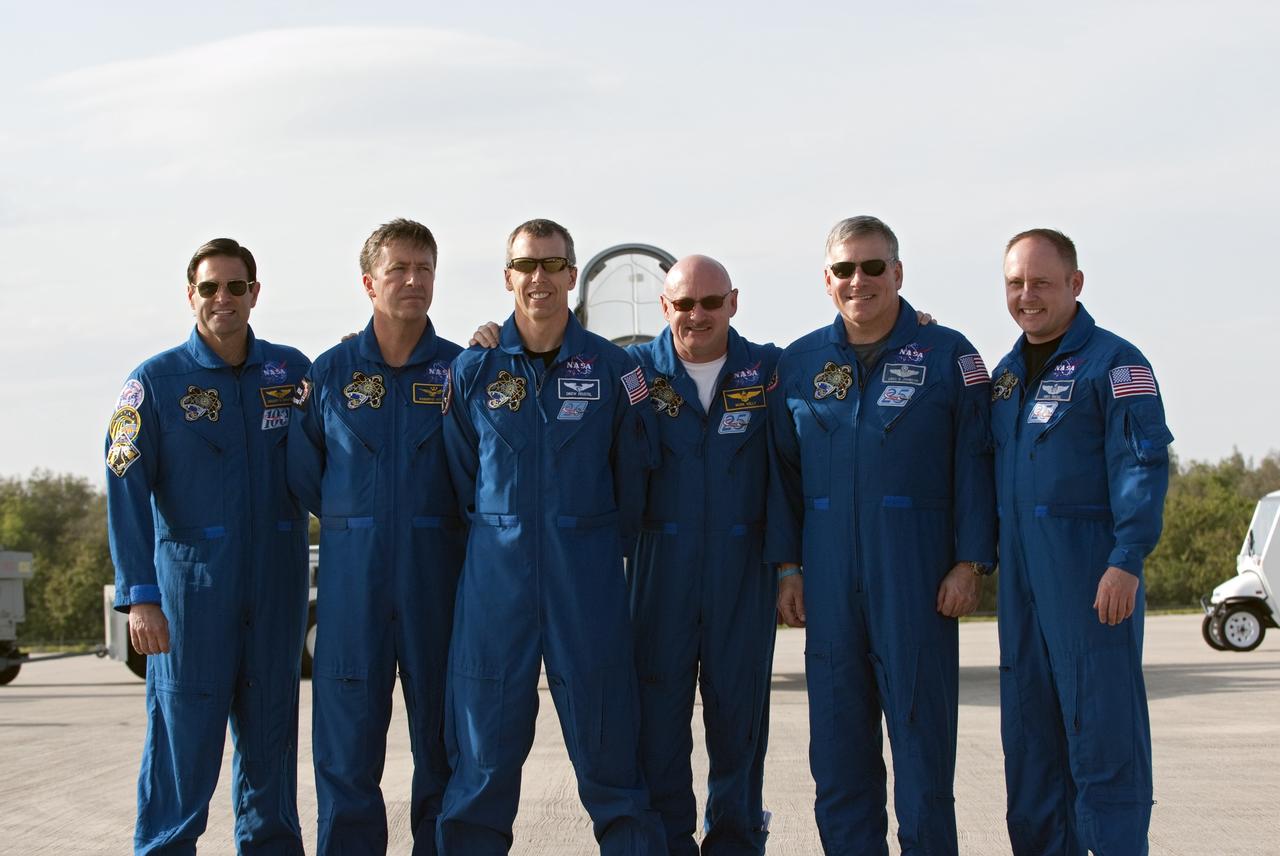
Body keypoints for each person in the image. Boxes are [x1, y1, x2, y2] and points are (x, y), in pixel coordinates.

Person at [767, 215, 996, 855]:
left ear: (898, 273)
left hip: (916, 580)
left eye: (873, 267)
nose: (858, 280)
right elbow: (781, 476)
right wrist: (788, 568)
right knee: (838, 760)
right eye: (845, 269)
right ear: (827, 279)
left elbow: (976, 461)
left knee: (923, 756)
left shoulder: (951, 356)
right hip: (830, 584)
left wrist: (970, 561)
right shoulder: (798, 363)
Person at [437, 218, 665, 855]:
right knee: (481, 765)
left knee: (611, 759)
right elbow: (460, 480)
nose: (539, 277)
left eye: (552, 264)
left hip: (585, 582)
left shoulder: (618, 371)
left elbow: (635, 481)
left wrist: (586, 542)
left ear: (572, 274)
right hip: (494, 591)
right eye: (526, 265)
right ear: (508, 277)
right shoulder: (472, 371)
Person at [106, 237, 311, 854]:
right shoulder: (152, 383)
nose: (223, 298)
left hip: (276, 589)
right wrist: (140, 596)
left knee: (271, 745)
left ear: (255, 292)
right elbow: (124, 490)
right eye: (210, 287)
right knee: (182, 747)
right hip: (189, 598)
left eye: (236, 286)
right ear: (189, 295)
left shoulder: (292, 372)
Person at [287, 219, 464, 855]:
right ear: (369, 282)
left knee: (445, 749)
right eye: (398, 269)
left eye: (424, 269)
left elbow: (478, 474)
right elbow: (307, 475)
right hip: (351, 587)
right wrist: (357, 522)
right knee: (344, 752)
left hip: (437, 583)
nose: (413, 281)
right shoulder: (330, 375)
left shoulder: (461, 372)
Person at [993, 228, 1172, 855]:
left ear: (1075, 284)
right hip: (1022, 590)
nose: (1027, 296)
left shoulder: (1117, 365)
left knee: (1103, 736)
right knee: (1032, 743)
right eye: (1015, 283)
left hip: (1091, 581)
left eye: (1041, 282)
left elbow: (1141, 464)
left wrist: (1126, 558)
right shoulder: (1006, 377)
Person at [627, 255, 780, 855]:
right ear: (664, 307)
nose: (697, 315)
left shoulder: (768, 370)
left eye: (711, 303)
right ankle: (667, 843)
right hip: (657, 570)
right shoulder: (632, 372)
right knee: (658, 727)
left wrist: (914, 326)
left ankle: (738, 841)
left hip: (742, 573)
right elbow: (552, 354)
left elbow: (843, 353)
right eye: (684, 304)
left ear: (733, 303)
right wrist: (485, 340)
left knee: (739, 726)